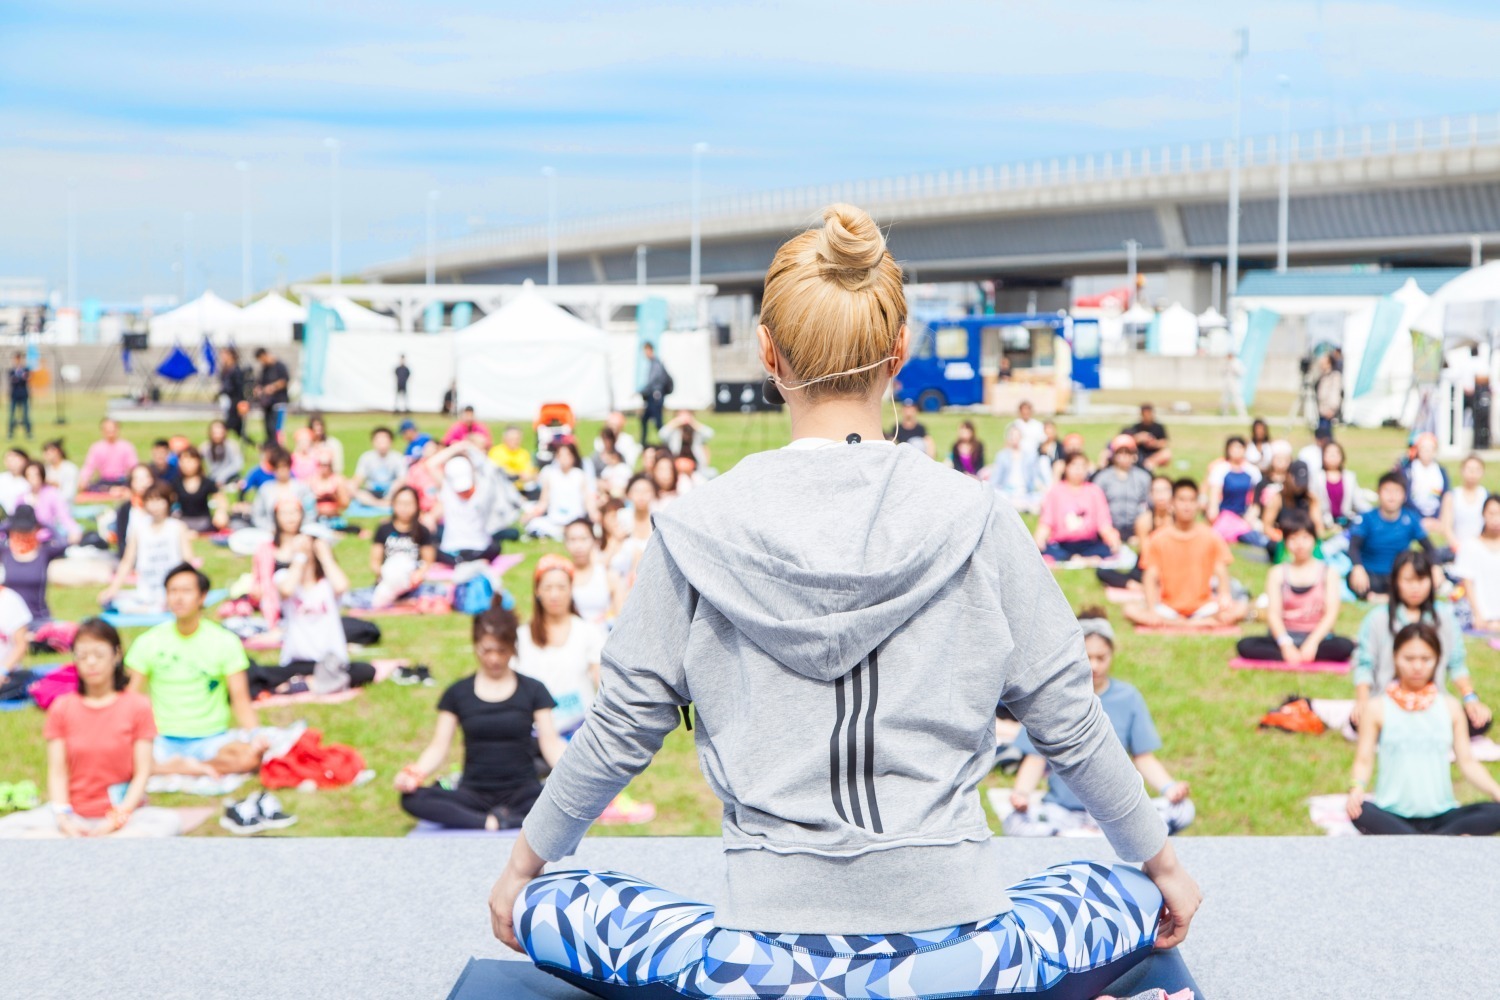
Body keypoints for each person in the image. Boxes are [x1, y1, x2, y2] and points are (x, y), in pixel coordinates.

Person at [492, 204, 1201, 999]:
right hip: (960, 958)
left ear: (768, 352)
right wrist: (1162, 865)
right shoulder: (979, 517)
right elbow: (1067, 719)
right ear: (900, 352)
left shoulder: (695, 526)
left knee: (556, 904)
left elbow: (623, 725)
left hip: (760, 961)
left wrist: (524, 867)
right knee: (1120, 890)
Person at [1007, 609, 1194, 837]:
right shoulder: (1053, 698)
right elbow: (1035, 758)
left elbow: (1144, 758)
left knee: (1183, 810)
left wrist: (1170, 788)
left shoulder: (1128, 697)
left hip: (1118, 814)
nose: (1094, 666)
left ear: (1111, 656)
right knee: (1015, 822)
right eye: (1088, 657)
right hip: (1062, 812)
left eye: (1101, 658)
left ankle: (1080, 839)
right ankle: (1075, 837)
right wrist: (1021, 795)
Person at [0, 619, 185, 838]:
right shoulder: (63, 707)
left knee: (168, 822)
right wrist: (63, 818)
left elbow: (142, 772)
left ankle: (93, 845)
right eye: (83, 655)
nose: (91, 663)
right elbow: (58, 772)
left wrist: (118, 818)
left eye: (98, 655)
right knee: (7, 829)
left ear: (116, 655)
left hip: (125, 816)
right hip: (72, 816)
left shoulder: (138, 706)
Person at [397, 609, 565, 831]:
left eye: (502, 650)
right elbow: (438, 747)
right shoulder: (457, 693)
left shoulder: (534, 690)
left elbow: (550, 743)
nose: (494, 658)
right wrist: (413, 774)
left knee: (566, 799)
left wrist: (576, 781)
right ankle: (491, 822)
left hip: (524, 792)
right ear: (475, 645)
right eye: (487, 650)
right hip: (473, 794)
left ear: (513, 648)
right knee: (411, 799)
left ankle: (505, 819)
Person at [1347, 622, 1500, 836]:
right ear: (1395, 657)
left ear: (1437, 660)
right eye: (1409, 659)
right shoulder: (1377, 707)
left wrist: (1496, 790)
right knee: (1361, 811)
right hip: (1391, 814)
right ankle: (1436, 843)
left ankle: (1422, 843)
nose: (1417, 666)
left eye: (1425, 659)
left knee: (1495, 811)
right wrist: (1356, 789)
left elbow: (1467, 762)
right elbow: (1363, 759)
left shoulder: (1450, 707)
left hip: (1442, 815)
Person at [125, 564, 260, 775]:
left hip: (212, 740)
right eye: (173, 591)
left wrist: (255, 736)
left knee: (250, 757)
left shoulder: (225, 641)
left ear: (202, 597)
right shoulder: (148, 641)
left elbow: (240, 699)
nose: (178, 598)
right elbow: (129, 697)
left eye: (186, 591)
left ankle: (177, 769)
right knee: (116, 757)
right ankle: (192, 769)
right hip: (162, 740)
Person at [1352, 549, 1490, 736]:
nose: (1415, 587)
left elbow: (1457, 664)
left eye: (1421, 580)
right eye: (1408, 580)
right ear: (1395, 582)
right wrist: (1362, 702)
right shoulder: (1378, 619)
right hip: (1388, 703)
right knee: (1359, 722)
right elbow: (1364, 665)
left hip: (1433, 703)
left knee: (1479, 720)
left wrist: (1470, 698)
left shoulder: (1444, 618)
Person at [255, 531, 377, 694]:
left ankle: (306, 684)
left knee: (366, 670)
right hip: (297, 661)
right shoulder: (283, 577)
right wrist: (299, 557)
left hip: (331, 661)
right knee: (259, 674)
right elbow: (287, 589)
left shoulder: (327, 583)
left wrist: (325, 555)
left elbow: (342, 585)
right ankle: (319, 683)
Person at [1124, 477, 1246, 628]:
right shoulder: (1158, 538)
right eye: (1182, 500)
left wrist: (1224, 597)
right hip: (1168, 607)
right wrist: (1151, 608)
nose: (1187, 506)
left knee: (1241, 608)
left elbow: (1221, 572)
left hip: (1204, 607)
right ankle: (1196, 624)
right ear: (1173, 504)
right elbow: (1150, 576)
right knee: (1129, 609)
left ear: (1197, 504)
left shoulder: (1211, 536)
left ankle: (1181, 624)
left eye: (1191, 500)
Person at [1236, 512, 1353, 663]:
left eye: (1305, 537)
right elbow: (1273, 614)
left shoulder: (1328, 573)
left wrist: (1313, 642)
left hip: (1318, 637)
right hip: (1285, 636)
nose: (1299, 544)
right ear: (1285, 542)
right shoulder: (1277, 573)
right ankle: (1293, 654)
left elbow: (1331, 614)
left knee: (1344, 646)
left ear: (1314, 539)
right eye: (1293, 538)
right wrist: (1286, 645)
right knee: (1246, 645)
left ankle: (1304, 653)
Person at [515, 554, 603, 739]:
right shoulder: (521, 636)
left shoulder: (588, 632)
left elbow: (602, 680)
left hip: (580, 730)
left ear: (571, 589)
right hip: (533, 731)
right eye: (547, 588)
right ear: (537, 591)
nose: (554, 595)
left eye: (561, 587)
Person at [99, 482, 195, 615]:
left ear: (168, 501)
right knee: (113, 601)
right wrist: (113, 589)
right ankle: (153, 608)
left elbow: (187, 561)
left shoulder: (177, 527)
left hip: (172, 590)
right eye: (150, 501)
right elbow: (127, 561)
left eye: (158, 500)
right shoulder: (139, 529)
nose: (154, 505)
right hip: (145, 590)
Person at [1348, 473, 1438, 602]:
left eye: (1396, 491)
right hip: (1370, 573)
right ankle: (1384, 597)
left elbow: (1429, 547)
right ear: (1378, 493)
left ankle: (1385, 597)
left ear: (1404, 495)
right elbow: (1353, 547)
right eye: (1387, 491)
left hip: (1399, 575)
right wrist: (1357, 567)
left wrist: (1435, 567)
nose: (1392, 496)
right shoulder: (1367, 518)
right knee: (1353, 579)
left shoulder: (1411, 518)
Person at [1033, 451, 1119, 563]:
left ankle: (1083, 559)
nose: (1078, 470)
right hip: (1062, 543)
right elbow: (1046, 522)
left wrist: (1112, 538)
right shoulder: (1055, 491)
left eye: (1082, 466)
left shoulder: (1094, 491)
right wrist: (1039, 539)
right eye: (1074, 466)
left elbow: (1103, 522)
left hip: (1088, 542)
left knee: (1106, 550)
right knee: (1048, 551)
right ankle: (1073, 559)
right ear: (1066, 468)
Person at [427, 444, 501, 565]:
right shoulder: (447, 489)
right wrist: (456, 447)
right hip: (451, 549)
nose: (463, 492)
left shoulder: (482, 489)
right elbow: (431, 464)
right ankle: (462, 561)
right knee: (431, 546)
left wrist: (471, 449)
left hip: (478, 547)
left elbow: (492, 468)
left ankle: (464, 561)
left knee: (496, 545)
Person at [369, 486, 436, 608]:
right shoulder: (384, 529)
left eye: (409, 503)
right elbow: (375, 561)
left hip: (412, 581)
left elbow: (428, 561)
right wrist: (385, 575)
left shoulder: (422, 531)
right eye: (400, 503)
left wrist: (419, 574)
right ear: (393, 505)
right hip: (389, 579)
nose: (404, 508)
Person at [3, 505, 67, 626]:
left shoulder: (44, 552)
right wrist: (7, 524)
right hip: (11, 621)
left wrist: (44, 524)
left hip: (38, 619)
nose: (23, 533)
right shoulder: (6, 552)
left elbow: (63, 543)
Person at [524, 443, 597, 541]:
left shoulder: (579, 475)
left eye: (567, 455)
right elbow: (543, 502)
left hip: (575, 520)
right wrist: (531, 515)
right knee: (534, 524)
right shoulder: (550, 475)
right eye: (561, 455)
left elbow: (588, 501)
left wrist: (594, 515)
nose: (564, 459)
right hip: (555, 520)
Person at [1260, 460, 1325, 562]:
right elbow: (1266, 526)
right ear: (1289, 476)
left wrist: (1309, 540)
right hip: (1284, 539)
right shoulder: (1278, 498)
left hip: (1305, 538)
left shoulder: (1311, 499)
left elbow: (1318, 527)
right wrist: (1286, 539)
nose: (1300, 486)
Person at [1090, 434, 1152, 542]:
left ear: (1134, 455)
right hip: (1110, 527)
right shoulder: (1102, 478)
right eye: (1120, 452)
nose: (1124, 456)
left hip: (1136, 526)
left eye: (1128, 452)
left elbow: (1148, 504)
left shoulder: (1143, 477)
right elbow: (1096, 505)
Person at [1205, 436, 1263, 546]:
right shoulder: (1221, 469)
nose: (1237, 451)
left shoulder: (1252, 471)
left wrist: (1251, 515)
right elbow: (1214, 496)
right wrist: (1213, 514)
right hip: (1225, 515)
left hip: (1246, 515)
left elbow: (1256, 499)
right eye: (1233, 448)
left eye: (1240, 448)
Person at [1456, 495, 1500, 633]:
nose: (1496, 519)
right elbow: (1467, 583)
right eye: (1492, 513)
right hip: (1480, 613)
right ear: (1483, 514)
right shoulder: (1470, 545)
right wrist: (1477, 614)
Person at [249, 446, 314, 532]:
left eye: (284, 466)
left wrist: (298, 527)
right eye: (278, 467)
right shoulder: (266, 489)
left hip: (300, 530)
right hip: (272, 531)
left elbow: (311, 512)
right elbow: (257, 515)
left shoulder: (302, 488)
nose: (282, 470)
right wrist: (271, 528)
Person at [562, 518, 613, 628]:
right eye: (572, 540)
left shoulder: (608, 576)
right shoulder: (562, 578)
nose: (578, 546)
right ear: (565, 544)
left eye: (583, 539)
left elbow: (620, 613)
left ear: (594, 541)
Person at [19, 460, 79, 543]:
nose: (33, 478)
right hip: (27, 540)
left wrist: (74, 531)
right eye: (29, 475)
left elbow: (64, 515)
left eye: (36, 475)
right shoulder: (22, 498)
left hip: (48, 537)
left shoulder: (52, 494)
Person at [1400, 432, 1448, 533]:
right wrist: (1420, 517)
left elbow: (1446, 495)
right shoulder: (1409, 470)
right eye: (1424, 448)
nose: (1427, 452)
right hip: (1413, 514)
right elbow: (1406, 496)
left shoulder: (1441, 471)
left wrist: (1437, 517)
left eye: (1430, 449)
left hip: (1436, 515)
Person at [1440, 454, 1488, 553]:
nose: (1473, 473)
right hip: (1456, 549)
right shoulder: (1451, 496)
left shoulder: (1486, 496)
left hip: (1482, 548)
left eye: (1477, 470)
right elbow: (1446, 527)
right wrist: (1457, 547)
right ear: (1462, 470)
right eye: (1469, 469)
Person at [349, 426, 407, 505]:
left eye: (385, 441)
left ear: (391, 442)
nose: (382, 445)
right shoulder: (366, 457)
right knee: (352, 488)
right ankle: (380, 504)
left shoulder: (398, 457)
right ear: (373, 442)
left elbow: (402, 478)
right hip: (371, 492)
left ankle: (384, 502)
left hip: (391, 492)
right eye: (379, 441)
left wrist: (391, 492)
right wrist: (353, 486)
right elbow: (359, 477)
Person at [172, 447, 224, 534]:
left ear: (198, 462)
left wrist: (220, 512)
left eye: (190, 461)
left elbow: (221, 500)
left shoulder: (207, 482)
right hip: (183, 521)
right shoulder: (175, 483)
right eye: (183, 461)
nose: (186, 465)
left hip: (204, 522)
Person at [79, 419, 139, 492]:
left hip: (121, 481)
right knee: (91, 487)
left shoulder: (126, 446)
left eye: (112, 430)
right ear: (102, 431)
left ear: (118, 429)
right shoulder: (96, 447)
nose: (110, 433)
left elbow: (134, 466)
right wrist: (83, 480)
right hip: (104, 481)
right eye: (107, 430)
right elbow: (89, 466)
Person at [1312, 440, 1360, 529]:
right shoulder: (1317, 477)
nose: (1332, 455)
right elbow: (1313, 503)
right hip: (1324, 523)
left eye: (1336, 453)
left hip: (1347, 523)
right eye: (1329, 453)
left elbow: (1358, 502)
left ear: (1342, 456)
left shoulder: (1349, 477)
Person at [253, 348, 291, 446]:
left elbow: (284, 381)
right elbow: (260, 383)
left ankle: (280, 449)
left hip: (279, 402)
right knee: (269, 429)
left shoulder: (280, 366)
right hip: (268, 404)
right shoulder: (264, 369)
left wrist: (272, 387)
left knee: (278, 429)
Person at [638, 341, 672, 444]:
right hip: (652, 396)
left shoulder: (656, 363)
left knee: (658, 422)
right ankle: (643, 442)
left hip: (655, 397)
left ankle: (667, 441)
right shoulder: (653, 363)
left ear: (650, 350)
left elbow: (653, 381)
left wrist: (642, 391)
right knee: (644, 419)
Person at [218, 346, 252, 444]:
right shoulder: (225, 369)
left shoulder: (236, 370)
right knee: (237, 429)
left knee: (231, 425)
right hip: (226, 400)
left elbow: (240, 387)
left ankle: (221, 443)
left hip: (235, 401)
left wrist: (243, 402)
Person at [1124, 402, 1172, 471]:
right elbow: (1128, 441)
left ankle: (1149, 464)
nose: (1147, 417)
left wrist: (1154, 443)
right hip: (1139, 453)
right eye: (1145, 414)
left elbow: (1165, 442)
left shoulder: (1158, 427)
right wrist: (1138, 439)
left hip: (1153, 454)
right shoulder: (1136, 427)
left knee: (1167, 453)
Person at [201, 420, 244, 490]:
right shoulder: (205, 447)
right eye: (215, 433)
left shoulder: (232, 445)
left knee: (241, 483)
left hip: (230, 476)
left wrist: (222, 477)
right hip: (212, 477)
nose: (217, 436)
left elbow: (237, 465)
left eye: (220, 433)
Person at [1314, 352, 1343, 442]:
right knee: (1320, 433)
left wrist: (1332, 408)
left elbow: (1335, 393)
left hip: (1328, 410)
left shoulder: (1334, 376)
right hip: (1321, 409)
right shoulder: (1322, 375)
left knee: (1326, 434)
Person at [8, 351, 31, 440]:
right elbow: (13, 381)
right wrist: (20, 378)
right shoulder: (11, 371)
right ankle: (10, 433)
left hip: (24, 395)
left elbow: (25, 380)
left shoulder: (25, 370)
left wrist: (19, 379)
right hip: (14, 395)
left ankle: (28, 433)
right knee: (12, 415)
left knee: (26, 415)